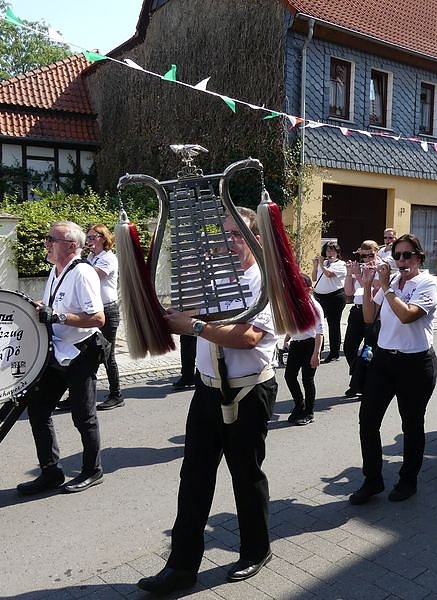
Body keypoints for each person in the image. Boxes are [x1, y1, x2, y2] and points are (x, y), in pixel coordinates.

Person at [138, 207, 277, 596]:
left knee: (245, 475)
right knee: (194, 478)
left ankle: (256, 549)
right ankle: (181, 568)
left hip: (249, 390)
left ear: (257, 240)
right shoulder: (215, 275)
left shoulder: (264, 281)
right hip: (208, 388)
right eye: (226, 235)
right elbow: (184, 309)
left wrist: (196, 326)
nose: (229, 242)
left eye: (238, 235)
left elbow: (249, 337)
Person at [16, 221, 106, 495]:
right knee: (39, 409)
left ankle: (93, 470)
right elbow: (55, 307)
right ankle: (51, 472)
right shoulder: (55, 272)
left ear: (70, 245)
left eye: (50, 239)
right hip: (58, 351)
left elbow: (98, 318)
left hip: (82, 352)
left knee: (83, 416)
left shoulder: (83, 273)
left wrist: (58, 316)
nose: (45, 243)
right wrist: (43, 308)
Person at [349, 234, 437, 505]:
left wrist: (387, 287)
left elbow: (408, 315)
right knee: (368, 420)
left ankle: (408, 480)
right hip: (384, 361)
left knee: (411, 424)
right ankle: (373, 479)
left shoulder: (428, 282)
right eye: (397, 255)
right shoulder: (392, 283)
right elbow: (368, 317)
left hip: (415, 363)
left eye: (407, 255)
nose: (401, 261)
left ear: (419, 257)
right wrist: (367, 286)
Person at [86, 224, 123, 410]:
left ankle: (116, 395)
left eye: (92, 237)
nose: (89, 241)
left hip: (108, 310)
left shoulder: (108, 258)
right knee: (84, 353)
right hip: (93, 311)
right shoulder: (90, 258)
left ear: (103, 238)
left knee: (108, 354)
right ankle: (81, 394)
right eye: (88, 237)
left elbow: (91, 277)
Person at [283, 274, 324, 425]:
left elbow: (320, 333)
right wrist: (287, 339)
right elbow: (294, 325)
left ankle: (309, 412)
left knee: (307, 379)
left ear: (309, 289)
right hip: (296, 343)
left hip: (311, 344)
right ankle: (299, 405)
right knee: (289, 376)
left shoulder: (315, 307)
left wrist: (316, 354)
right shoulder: (295, 304)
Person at [342, 240, 381, 397]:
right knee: (349, 348)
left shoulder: (380, 267)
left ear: (376, 251)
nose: (367, 259)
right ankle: (358, 377)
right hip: (357, 311)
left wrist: (358, 275)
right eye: (364, 256)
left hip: (372, 313)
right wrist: (349, 273)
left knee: (368, 350)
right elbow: (349, 292)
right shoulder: (360, 266)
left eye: (370, 255)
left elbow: (374, 288)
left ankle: (361, 383)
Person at [313, 241, 346, 363]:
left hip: (334, 298)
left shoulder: (340, 264)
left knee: (333, 325)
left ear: (337, 252)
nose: (330, 253)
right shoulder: (324, 263)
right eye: (327, 250)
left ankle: (334, 353)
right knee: (318, 324)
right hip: (320, 297)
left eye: (332, 250)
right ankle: (318, 349)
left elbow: (328, 274)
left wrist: (321, 263)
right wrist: (315, 265)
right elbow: (314, 278)